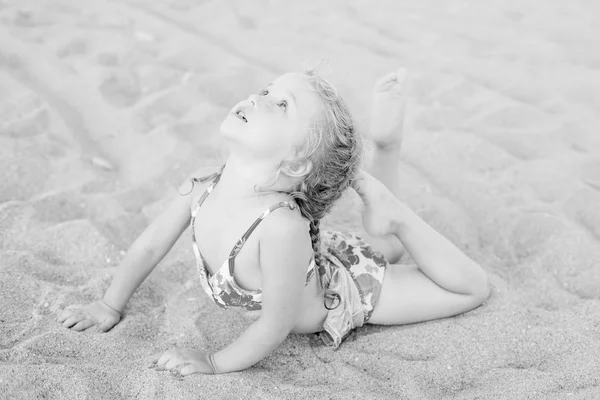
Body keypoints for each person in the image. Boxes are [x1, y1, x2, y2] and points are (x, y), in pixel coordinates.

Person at [58, 66, 490, 376]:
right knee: (384, 248)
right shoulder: (200, 187)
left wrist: (214, 362)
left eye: (281, 104)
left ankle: (397, 211)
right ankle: (387, 157)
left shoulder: (281, 228)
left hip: (348, 290)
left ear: (299, 161)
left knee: (469, 288)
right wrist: (108, 305)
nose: (258, 98)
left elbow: (276, 323)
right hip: (325, 254)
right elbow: (148, 247)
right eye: (266, 90)